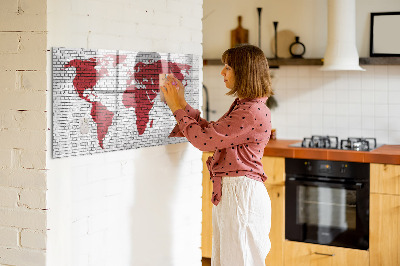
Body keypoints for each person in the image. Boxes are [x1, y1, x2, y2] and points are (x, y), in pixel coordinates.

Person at [161, 44, 273, 266]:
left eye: (228, 67)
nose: (222, 72)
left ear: (244, 72)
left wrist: (176, 108)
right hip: (236, 193)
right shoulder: (246, 106)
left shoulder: (250, 111)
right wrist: (182, 103)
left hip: (241, 195)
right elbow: (212, 133)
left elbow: (204, 141)